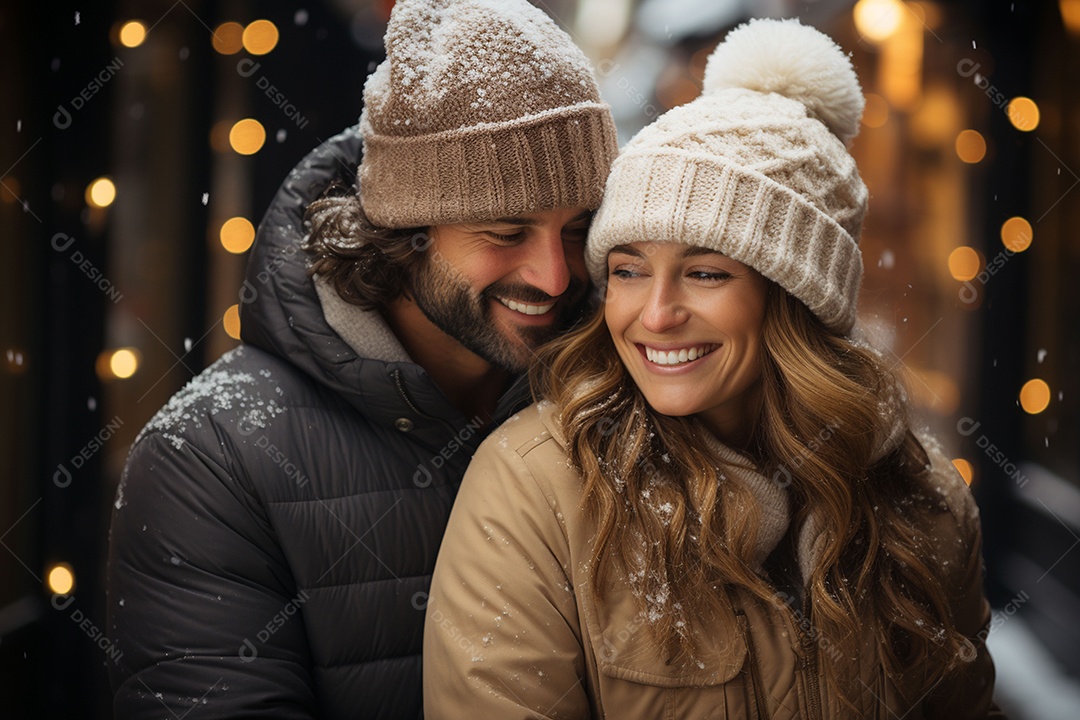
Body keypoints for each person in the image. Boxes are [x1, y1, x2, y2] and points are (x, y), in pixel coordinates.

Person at [423, 18, 1003, 719]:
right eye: (629, 270)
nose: (656, 314)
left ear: (795, 297)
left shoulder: (925, 503)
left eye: (703, 273)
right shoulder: (537, 487)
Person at [105, 0, 617, 716]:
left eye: (578, 231)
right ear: (403, 227)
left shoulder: (620, 397)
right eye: (505, 231)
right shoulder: (211, 456)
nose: (554, 277)